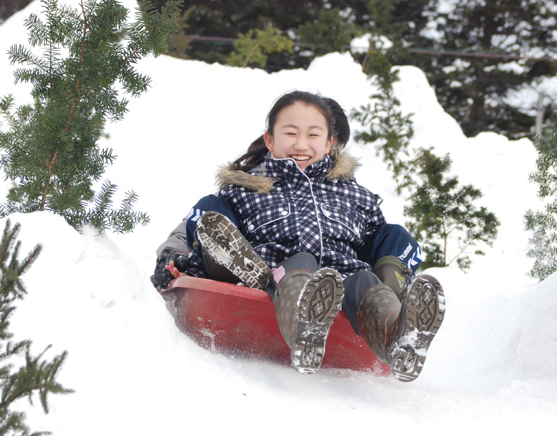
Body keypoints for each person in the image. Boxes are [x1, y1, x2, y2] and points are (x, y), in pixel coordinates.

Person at [151, 92, 444, 381]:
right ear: (270, 139)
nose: (302, 145)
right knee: (288, 255)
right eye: (291, 133)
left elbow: (379, 240)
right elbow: (191, 227)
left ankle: (396, 336)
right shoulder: (245, 189)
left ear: (332, 143)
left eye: (314, 135)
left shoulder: (353, 195)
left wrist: (391, 275)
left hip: (344, 280)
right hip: (275, 272)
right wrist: (171, 259)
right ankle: (303, 326)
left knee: (367, 276)